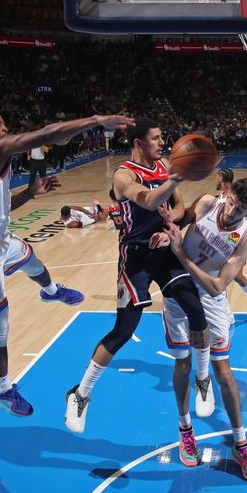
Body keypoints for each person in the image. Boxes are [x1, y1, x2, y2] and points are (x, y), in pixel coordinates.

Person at [0, 107, 133, 417]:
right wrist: (97, 121)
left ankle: (49, 290)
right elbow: (48, 134)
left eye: (5, 122)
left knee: (29, 258)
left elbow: (2, 203)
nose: (4, 127)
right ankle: (2, 388)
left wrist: (31, 193)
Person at [64, 118, 209, 434]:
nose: (162, 143)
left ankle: (202, 377)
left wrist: (173, 223)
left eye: (162, 138)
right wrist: (175, 179)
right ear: (139, 143)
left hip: (165, 250)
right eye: (156, 138)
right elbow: (147, 199)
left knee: (196, 309)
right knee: (124, 330)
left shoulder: (165, 167)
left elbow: (178, 209)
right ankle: (80, 394)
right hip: (136, 257)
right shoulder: (124, 175)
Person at [154, 178, 247, 483]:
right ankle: (185, 429)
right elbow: (179, 219)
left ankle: (241, 445)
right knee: (182, 363)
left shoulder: (245, 238)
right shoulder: (206, 203)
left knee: (224, 371)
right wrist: (167, 229)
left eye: (242, 210)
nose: (233, 212)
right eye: (232, 203)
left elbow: (217, 286)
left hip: (209, 292)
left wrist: (181, 254)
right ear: (226, 194)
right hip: (178, 287)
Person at [215, 168, 247, 322]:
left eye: (216, 176)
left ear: (221, 178)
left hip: (236, 241)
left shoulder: (237, 196)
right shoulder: (218, 197)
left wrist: (238, 216)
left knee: (235, 276)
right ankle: (227, 312)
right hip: (217, 242)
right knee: (218, 279)